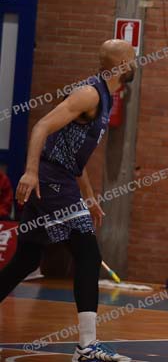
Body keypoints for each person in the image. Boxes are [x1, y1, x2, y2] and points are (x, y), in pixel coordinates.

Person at [0, 39, 135, 362]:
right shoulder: (90, 93)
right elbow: (42, 126)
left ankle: (87, 345)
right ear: (119, 66)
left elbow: (72, 155)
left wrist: (88, 195)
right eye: (132, 58)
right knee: (88, 254)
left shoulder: (106, 97)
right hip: (51, 180)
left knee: (26, 260)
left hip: (59, 178)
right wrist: (31, 171)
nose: (136, 63)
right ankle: (87, 346)